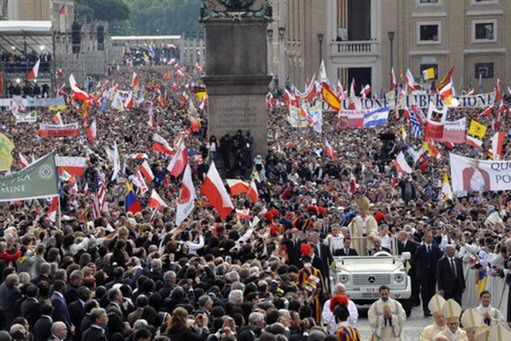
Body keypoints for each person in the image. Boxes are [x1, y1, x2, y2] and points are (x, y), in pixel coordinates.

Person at [414, 232, 442, 316]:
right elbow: (415, 260)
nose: (430, 239)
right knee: (425, 291)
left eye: (431, 237)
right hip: (424, 274)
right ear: (425, 238)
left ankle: (431, 308)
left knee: (432, 291)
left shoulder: (435, 248)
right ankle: (425, 309)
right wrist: (417, 272)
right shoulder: (420, 248)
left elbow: (440, 259)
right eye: (429, 237)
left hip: (433, 274)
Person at [297, 243, 326, 324]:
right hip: (316, 299)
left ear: (303, 261)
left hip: (305, 300)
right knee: (316, 321)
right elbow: (322, 287)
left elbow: (300, 287)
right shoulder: (317, 271)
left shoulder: (301, 272)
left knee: (306, 321)